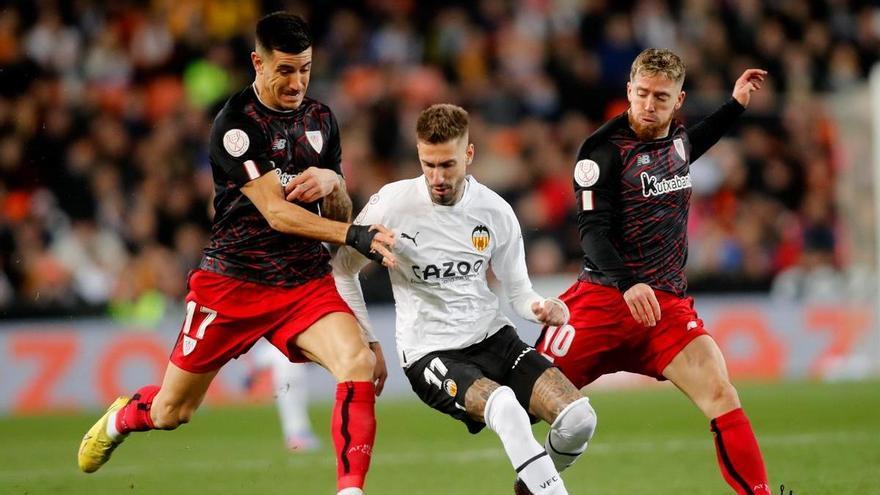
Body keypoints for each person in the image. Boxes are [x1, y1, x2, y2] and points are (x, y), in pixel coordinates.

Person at [77, 13, 395, 495]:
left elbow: (336, 208)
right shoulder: (236, 125)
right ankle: (122, 419)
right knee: (172, 411)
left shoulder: (322, 120)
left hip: (302, 282)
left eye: (305, 69)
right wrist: (354, 233)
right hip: (233, 282)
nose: (297, 81)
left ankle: (350, 491)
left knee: (358, 366)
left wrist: (334, 182)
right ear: (257, 62)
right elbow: (277, 214)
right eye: (285, 70)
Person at [535, 48, 770, 495]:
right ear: (628, 90)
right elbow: (591, 230)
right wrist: (628, 282)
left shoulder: (677, 140)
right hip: (603, 300)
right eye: (641, 94)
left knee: (721, 394)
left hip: (665, 309)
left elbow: (694, 144)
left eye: (661, 98)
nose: (648, 104)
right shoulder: (602, 150)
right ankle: (535, 479)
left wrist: (736, 104)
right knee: (522, 396)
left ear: (678, 100)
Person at [332, 104, 597, 495]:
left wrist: (542, 307)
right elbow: (342, 269)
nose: (437, 177)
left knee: (579, 420)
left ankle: (532, 486)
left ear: (469, 155)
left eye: (448, 165)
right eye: (429, 164)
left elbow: (519, 292)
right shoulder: (392, 204)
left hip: (494, 338)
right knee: (504, 405)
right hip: (430, 352)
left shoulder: (494, 211)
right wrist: (369, 340)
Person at [247, 341, 320, 452]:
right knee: (292, 408)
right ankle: (296, 438)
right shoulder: (283, 344)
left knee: (295, 407)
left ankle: (302, 435)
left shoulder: (274, 346)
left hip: (291, 380)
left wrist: (250, 377)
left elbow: (260, 361)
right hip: (288, 381)